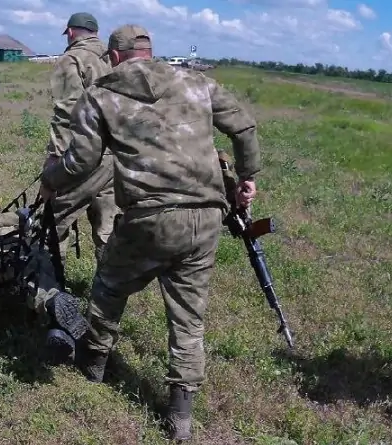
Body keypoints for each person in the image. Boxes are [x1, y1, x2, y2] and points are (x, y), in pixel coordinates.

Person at [39, 25, 261, 441]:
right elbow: (244, 128)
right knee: (189, 316)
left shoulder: (101, 96)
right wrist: (247, 176)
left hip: (148, 217)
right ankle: (181, 414)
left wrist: (49, 178)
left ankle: (94, 362)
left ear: (113, 57)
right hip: (206, 217)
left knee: (109, 287)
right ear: (149, 51)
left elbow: (81, 162)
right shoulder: (196, 82)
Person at [0, 199, 89, 363]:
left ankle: (57, 325)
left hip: (27, 251)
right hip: (0, 258)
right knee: (31, 265)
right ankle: (55, 309)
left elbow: (26, 216)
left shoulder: (2, 220)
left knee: (43, 259)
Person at [43, 12, 120, 266]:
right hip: (114, 155)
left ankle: (50, 282)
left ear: (70, 32)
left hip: (81, 154)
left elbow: (67, 113)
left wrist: (55, 159)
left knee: (54, 221)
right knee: (107, 228)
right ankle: (109, 285)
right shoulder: (113, 58)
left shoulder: (72, 59)